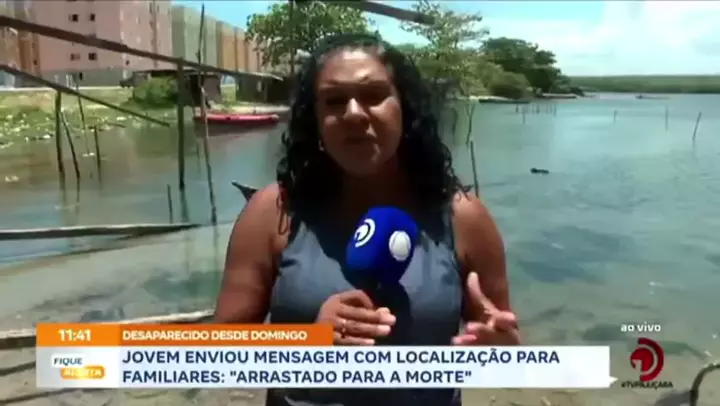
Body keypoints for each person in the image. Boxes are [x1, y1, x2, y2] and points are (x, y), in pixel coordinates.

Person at [215, 33, 520, 406]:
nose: (354, 113)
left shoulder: (465, 218)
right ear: (315, 119)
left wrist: (501, 350)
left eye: (374, 95)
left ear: (405, 109)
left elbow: (503, 352)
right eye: (334, 100)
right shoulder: (272, 213)